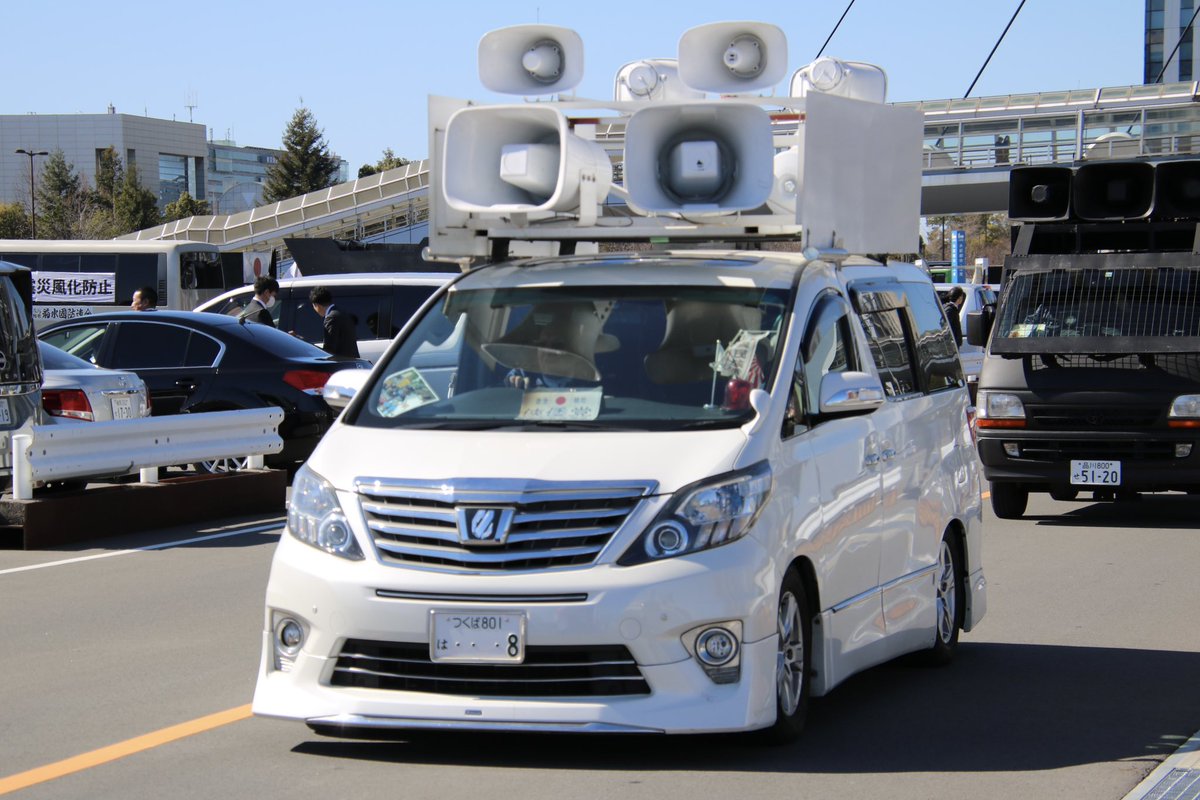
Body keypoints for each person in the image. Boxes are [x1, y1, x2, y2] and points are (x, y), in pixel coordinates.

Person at [309, 286, 360, 358]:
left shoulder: (331, 318)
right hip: (352, 361)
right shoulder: (343, 313)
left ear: (317, 305)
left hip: (341, 364)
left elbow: (329, 350)